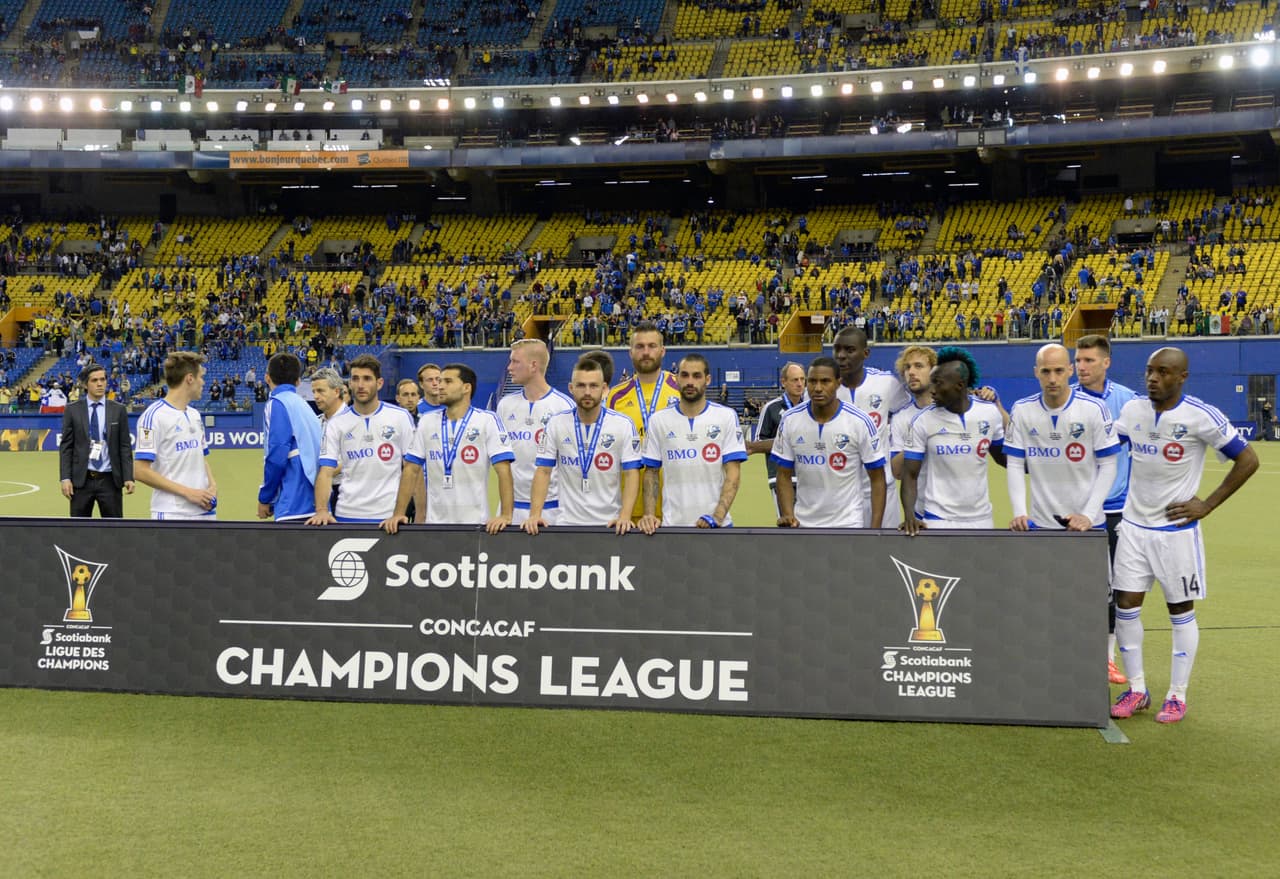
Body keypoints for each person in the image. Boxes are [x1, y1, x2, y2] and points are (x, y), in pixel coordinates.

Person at [1109, 347, 1259, 724]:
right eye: (1149, 371)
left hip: (1176, 533)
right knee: (1125, 607)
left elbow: (1248, 459)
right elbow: (1106, 450)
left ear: (1182, 377)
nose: (1153, 378)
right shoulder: (1133, 411)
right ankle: (1137, 690)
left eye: (1163, 372)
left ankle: (1177, 695)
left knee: (1180, 610)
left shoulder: (1200, 416)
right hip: (1133, 528)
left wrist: (1207, 504)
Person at [1073, 333, 1139, 684]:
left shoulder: (1128, 401)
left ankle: (1107, 658)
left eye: (1089, 360)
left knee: (1113, 587)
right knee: (1071, 585)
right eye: (1078, 360)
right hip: (1074, 510)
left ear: (1106, 362)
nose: (1081, 367)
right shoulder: (1066, 399)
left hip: (1115, 510)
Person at [384, 363, 514, 533]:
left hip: (476, 524)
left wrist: (505, 515)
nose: (440, 386)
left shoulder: (487, 421)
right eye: (439, 381)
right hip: (434, 525)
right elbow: (411, 469)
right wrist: (399, 513)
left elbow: (503, 470)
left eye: (448, 381)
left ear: (466, 388)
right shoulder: (427, 421)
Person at [1005, 344, 1121, 533]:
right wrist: (1020, 513)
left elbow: (1108, 465)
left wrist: (1088, 515)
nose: (1052, 379)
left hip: (1087, 524)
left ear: (1070, 370)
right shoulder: (1021, 410)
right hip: (1040, 524)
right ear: (1036, 372)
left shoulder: (1095, 408)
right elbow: (1015, 464)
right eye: (1046, 371)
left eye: (1059, 371)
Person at [525, 355, 641, 535]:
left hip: (610, 524)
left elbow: (631, 473)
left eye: (593, 386)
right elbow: (543, 471)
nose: (587, 392)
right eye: (581, 385)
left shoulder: (623, 424)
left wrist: (625, 516)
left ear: (604, 389)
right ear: (571, 388)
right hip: (566, 523)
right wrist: (535, 515)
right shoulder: (556, 423)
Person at [900, 347, 1007, 533]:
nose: (932, 390)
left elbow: (1002, 458)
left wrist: (1034, 464)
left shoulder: (989, 413)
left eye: (938, 384)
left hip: (981, 519)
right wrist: (909, 516)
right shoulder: (922, 420)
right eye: (932, 383)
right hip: (938, 519)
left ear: (959, 385)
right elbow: (909, 475)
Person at [772, 356, 886, 529]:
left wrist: (875, 530)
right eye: (812, 381)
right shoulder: (790, 420)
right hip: (804, 523)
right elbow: (783, 475)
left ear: (838, 383)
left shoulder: (859, 421)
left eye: (825, 381)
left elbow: (878, 479)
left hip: (848, 523)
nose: (818, 388)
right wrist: (788, 515)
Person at [638, 353, 748, 530]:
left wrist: (717, 516)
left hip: (718, 527)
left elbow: (733, 473)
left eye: (697, 376)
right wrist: (649, 514)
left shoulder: (726, 416)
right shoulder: (658, 420)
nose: (690, 382)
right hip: (673, 526)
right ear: (676, 379)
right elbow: (651, 472)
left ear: (707, 380)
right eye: (685, 375)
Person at [308, 354, 417, 525]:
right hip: (346, 514)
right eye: (355, 379)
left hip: (388, 517)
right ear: (349, 384)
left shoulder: (400, 417)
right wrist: (321, 510)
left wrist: (399, 513)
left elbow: (411, 468)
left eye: (367, 379)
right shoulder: (336, 423)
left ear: (379, 383)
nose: (360, 385)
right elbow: (326, 471)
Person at [833, 326, 910, 529]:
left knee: (883, 546)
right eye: (837, 349)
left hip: (882, 488)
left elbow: (910, 412)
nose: (841, 356)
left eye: (849, 350)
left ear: (865, 353)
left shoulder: (885, 384)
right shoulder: (825, 387)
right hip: (840, 494)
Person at [607, 322, 681, 521]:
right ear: (630, 352)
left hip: (675, 508)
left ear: (663, 351)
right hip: (627, 511)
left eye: (652, 346)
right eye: (639, 346)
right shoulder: (615, 396)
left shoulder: (682, 390)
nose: (646, 352)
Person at [496, 339, 574, 526]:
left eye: (515, 361)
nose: (509, 367)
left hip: (551, 508)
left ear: (533, 366)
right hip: (511, 509)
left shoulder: (564, 406)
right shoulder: (505, 405)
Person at [134, 352, 217, 519]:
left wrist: (213, 486)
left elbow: (201, 457)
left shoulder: (194, 414)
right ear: (190, 379)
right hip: (173, 513)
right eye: (201, 377)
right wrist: (188, 493)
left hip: (204, 511)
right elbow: (139, 470)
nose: (203, 382)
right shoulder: (153, 416)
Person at [59, 362, 134, 518]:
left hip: (110, 480)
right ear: (85, 384)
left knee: (114, 529)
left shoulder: (118, 410)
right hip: (81, 480)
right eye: (94, 380)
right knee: (79, 529)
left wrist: (128, 477)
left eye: (103, 379)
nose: (100, 384)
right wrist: (65, 478)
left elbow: (125, 446)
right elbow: (66, 447)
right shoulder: (72, 410)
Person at [257, 352, 322, 522]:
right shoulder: (304, 406)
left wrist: (265, 497)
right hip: (317, 500)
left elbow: (277, 456)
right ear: (298, 381)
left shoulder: (277, 403)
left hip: (294, 502)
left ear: (267, 378)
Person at [746, 361, 806, 513]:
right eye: (795, 380)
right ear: (783, 382)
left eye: (802, 379)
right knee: (788, 524)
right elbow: (759, 442)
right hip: (780, 478)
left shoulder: (811, 407)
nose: (800, 384)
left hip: (809, 478)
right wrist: (792, 442)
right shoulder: (771, 408)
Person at [888, 345, 936, 524]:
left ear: (934, 371)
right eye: (907, 368)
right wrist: (917, 440)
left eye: (919, 366)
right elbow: (896, 471)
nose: (911, 372)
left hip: (958, 512)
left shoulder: (949, 410)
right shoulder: (901, 417)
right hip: (920, 515)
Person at [309, 367, 348, 514]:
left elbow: (353, 460)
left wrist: (322, 474)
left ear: (337, 391)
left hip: (346, 493)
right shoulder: (316, 422)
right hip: (323, 491)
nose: (316, 396)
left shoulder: (354, 420)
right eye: (314, 391)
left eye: (320, 391)